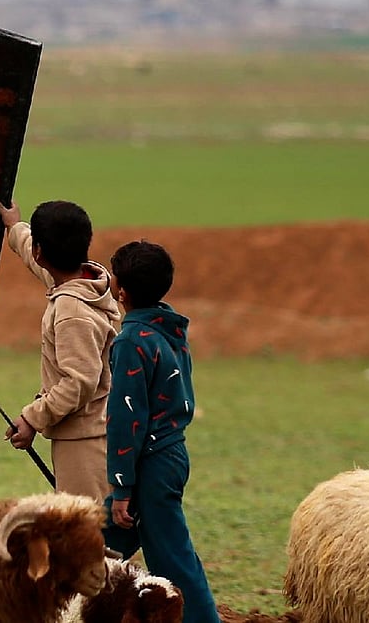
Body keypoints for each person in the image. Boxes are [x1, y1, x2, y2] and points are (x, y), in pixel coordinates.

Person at [102, 240, 221, 623]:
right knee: (97, 544)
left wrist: (122, 489)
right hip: (170, 453)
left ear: (121, 291)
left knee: (173, 559)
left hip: (149, 465)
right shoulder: (169, 329)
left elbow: (126, 419)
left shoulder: (130, 341)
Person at [0, 198, 120, 503]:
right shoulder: (87, 281)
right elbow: (36, 259)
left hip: (85, 442)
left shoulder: (71, 311)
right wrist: (14, 226)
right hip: (95, 430)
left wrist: (32, 417)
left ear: (41, 252)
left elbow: (80, 381)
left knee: (89, 536)